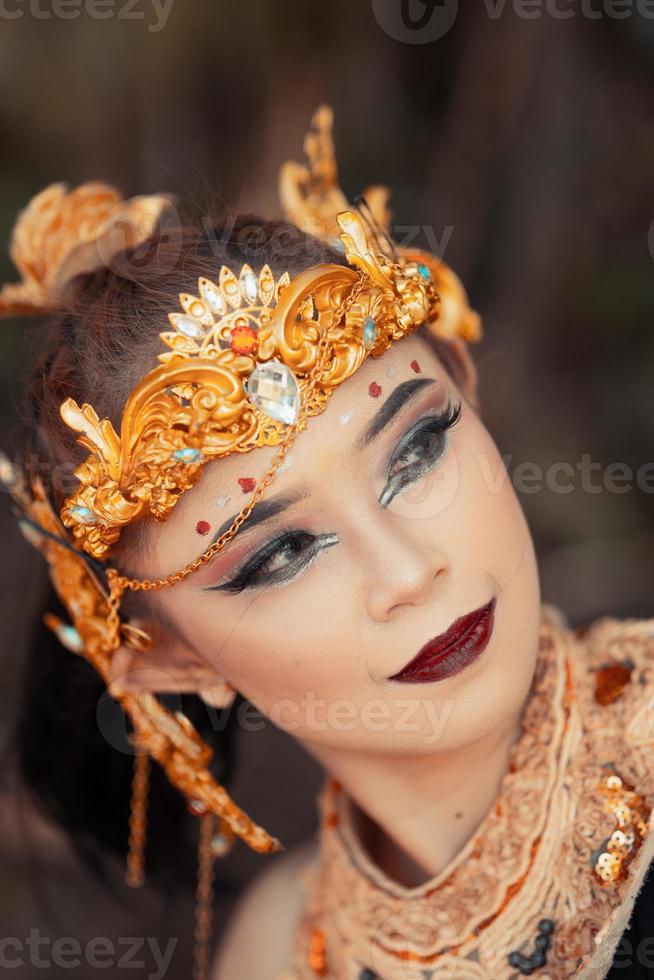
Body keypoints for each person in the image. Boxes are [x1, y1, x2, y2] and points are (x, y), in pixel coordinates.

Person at [1, 107, 653, 980]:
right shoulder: (273, 956)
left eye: (416, 451)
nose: (408, 572)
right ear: (165, 658)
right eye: (280, 554)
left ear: (466, 386)